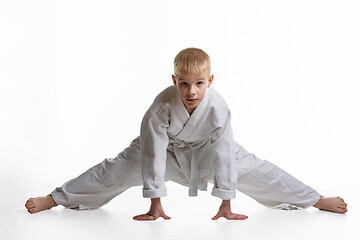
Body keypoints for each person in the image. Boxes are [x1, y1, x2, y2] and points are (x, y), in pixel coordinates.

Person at [25, 48, 347, 220]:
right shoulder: (161, 106)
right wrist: (155, 203)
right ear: (174, 79)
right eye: (183, 83)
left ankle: (315, 199)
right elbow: (152, 152)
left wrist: (225, 203)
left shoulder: (218, 108)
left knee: (258, 169)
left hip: (208, 151)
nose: (191, 92)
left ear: (210, 80)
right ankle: (55, 198)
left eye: (199, 84)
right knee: (113, 169)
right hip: (165, 153)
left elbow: (223, 154)